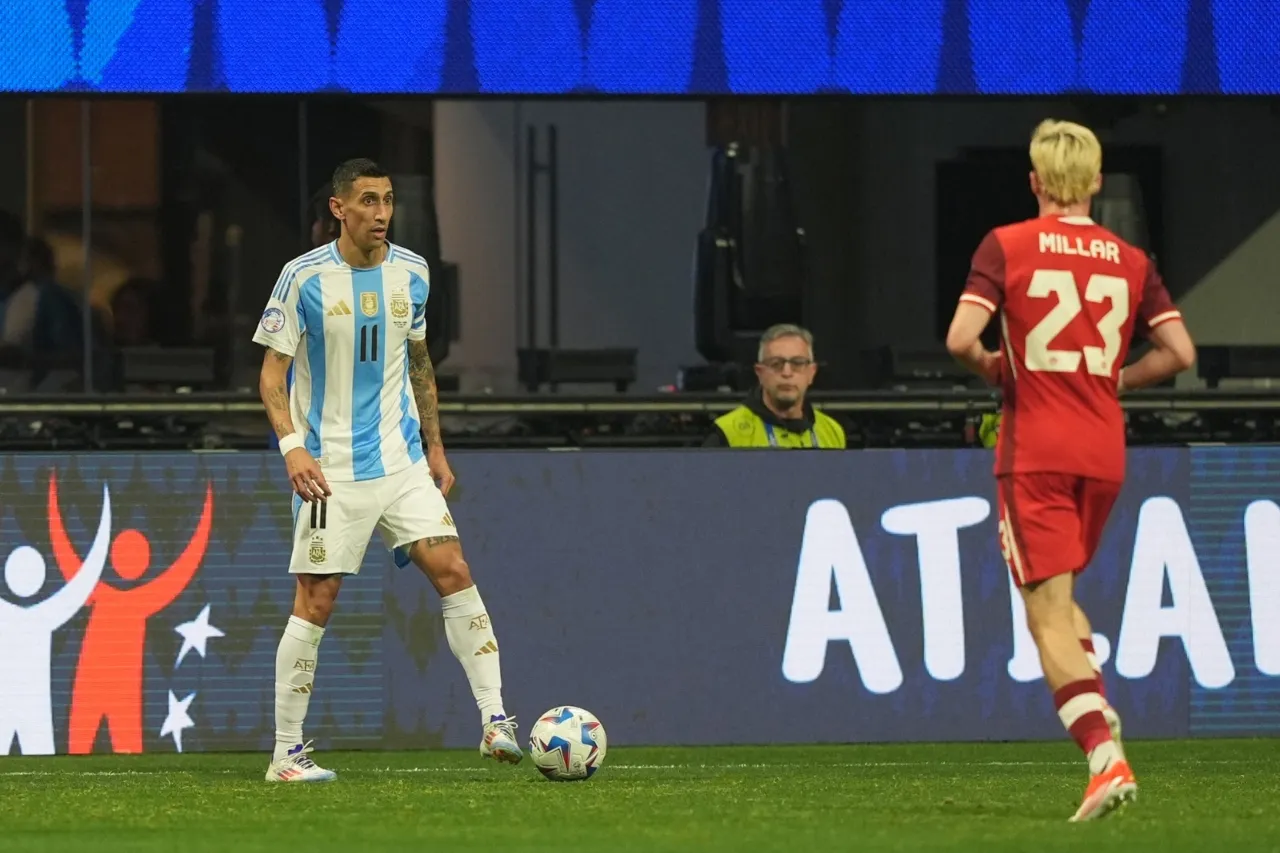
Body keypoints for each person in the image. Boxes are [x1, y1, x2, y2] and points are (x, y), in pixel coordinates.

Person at [945, 119, 1196, 822]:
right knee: (1064, 598)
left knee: (1044, 614)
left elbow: (962, 337)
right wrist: (1116, 380)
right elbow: (1178, 350)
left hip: (1037, 450)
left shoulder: (1008, 245)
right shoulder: (1129, 258)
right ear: (1094, 181)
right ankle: (1101, 712)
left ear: (1034, 181)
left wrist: (999, 369)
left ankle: (1100, 753)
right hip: (1102, 451)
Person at [252, 158, 521, 782]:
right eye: (368, 201)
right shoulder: (303, 279)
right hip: (330, 469)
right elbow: (271, 374)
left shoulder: (414, 274)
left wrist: (435, 447)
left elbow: (419, 362)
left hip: (401, 461)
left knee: (453, 568)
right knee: (317, 600)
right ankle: (286, 754)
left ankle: (495, 722)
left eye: (389, 200)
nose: (381, 213)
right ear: (339, 209)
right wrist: (293, 445)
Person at [704, 323, 846, 448]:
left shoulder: (832, 431)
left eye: (797, 363)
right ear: (760, 373)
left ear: (812, 373)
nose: (787, 373)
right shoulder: (728, 432)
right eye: (776, 364)